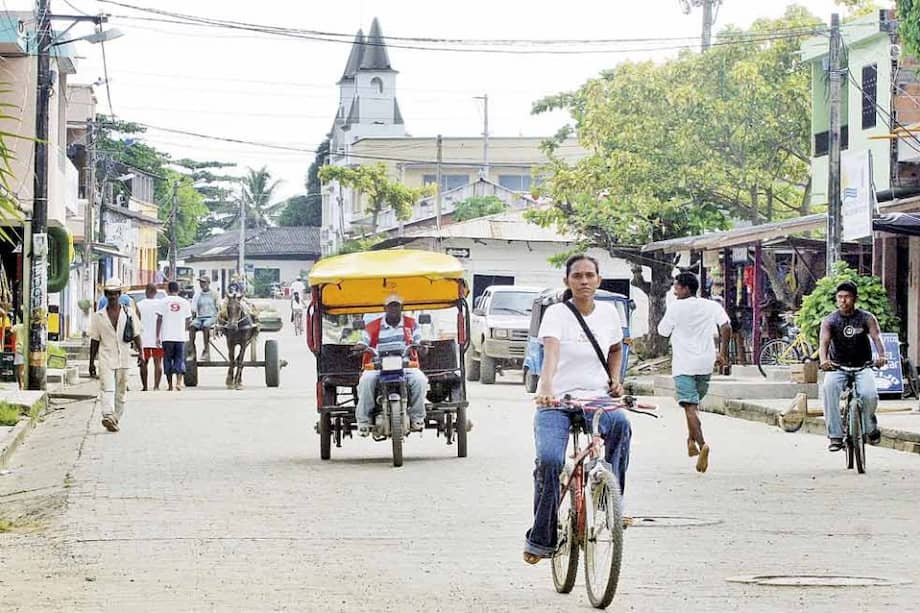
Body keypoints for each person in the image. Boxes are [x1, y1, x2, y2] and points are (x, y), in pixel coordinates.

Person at [525, 254, 631, 565]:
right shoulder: (557, 313)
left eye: (589, 275)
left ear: (598, 280)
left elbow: (615, 349)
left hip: (595, 397)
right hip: (556, 401)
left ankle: (612, 503)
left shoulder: (610, 313)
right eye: (577, 276)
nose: (583, 281)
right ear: (567, 281)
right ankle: (541, 539)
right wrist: (545, 387)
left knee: (621, 425)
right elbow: (552, 352)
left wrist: (615, 380)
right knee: (549, 460)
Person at [658, 271, 731, 473]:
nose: (674, 290)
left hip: (683, 365)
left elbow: (662, 331)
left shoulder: (675, 308)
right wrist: (723, 353)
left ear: (685, 288)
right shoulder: (711, 305)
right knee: (693, 405)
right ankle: (690, 441)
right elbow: (726, 327)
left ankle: (702, 444)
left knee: (690, 408)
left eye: (676, 286)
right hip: (706, 363)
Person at [818, 281, 887, 451]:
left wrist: (882, 356)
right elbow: (823, 342)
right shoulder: (830, 320)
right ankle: (835, 436)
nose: (843, 301)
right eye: (840, 297)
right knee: (828, 388)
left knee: (869, 394)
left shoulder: (866, 317)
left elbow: (877, 338)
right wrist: (823, 361)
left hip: (863, 366)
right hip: (837, 367)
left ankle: (870, 427)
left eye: (847, 297)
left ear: (855, 298)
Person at [352, 294, 428, 437]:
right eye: (391, 306)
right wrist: (360, 347)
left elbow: (418, 340)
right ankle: (363, 421)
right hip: (378, 364)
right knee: (365, 381)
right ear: (385, 308)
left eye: (396, 306)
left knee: (420, 381)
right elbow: (363, 341)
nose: (394, 309)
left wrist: (421, 346)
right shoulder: (373, 326)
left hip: (405, 365)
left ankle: (417, 418)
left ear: (401, 308)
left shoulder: (411, 324)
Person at [88, 278, 144, 432]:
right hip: (106, 356)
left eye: (115, 294)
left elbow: (136, 334)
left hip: (124, 357)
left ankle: (115, 418)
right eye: (109, 294)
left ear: (119, 294)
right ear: (105, 295)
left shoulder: (129, 313)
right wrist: (91, 362)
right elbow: (94, 340)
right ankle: (107, 415)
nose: (112, 297)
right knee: (107, 388)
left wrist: (141, 354)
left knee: (121, 392)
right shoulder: (98, 316)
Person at [161, 281, 192, 391]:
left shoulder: (163, 301)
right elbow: (189, 319)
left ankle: (170, 385)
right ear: (178, 290)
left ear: (168, 290)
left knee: (167, 360)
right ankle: (178, 383)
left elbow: (159, 318)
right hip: (180, 337)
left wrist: (157, 335)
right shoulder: (185, 302)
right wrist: (184, 330)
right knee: (179, 359)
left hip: (166, 336)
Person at [137, 284, 164, 391]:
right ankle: (156, 386)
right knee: (158, 363)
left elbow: (136, 321)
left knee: (143, 363)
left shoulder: (139, 305)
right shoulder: (161, 304)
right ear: (156, 292)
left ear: (146, 291)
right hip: (158, 338)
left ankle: (145, 386)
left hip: (143, 339)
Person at [190, 276, 219, 361]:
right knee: (192, 326)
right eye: (201, 282)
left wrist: (218, 318)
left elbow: (218, 307)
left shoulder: (214, 294)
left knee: (206, 326)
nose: (202, 284)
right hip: (200, 317)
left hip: (211, 317)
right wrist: (192, 317)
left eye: (204, 282)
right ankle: (192, 350)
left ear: (208, 283)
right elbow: (194, 308)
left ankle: (206, 350)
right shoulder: (197, 295)